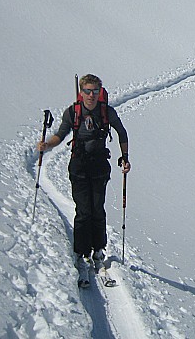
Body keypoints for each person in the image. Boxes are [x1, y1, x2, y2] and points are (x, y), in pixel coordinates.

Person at [38, 74, 131, 287]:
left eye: (95, 91)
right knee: (83, 211)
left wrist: (125, 157)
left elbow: (122, 133)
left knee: (97, 209)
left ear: (100, 92)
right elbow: (61, 134)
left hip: (99, 167)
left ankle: (98, 249)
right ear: (81, 92)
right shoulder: (73, 112)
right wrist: (47, 145)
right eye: (88, 91)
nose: (91, 95)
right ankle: (81, 251)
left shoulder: (107, 112)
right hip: (79, 167)